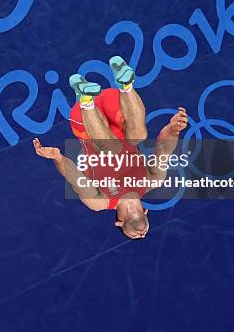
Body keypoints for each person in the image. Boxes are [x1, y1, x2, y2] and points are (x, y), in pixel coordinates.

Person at [33, 56, 188, 239]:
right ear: (145, 213)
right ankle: (126, 84)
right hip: (116, 110)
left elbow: (76, 180)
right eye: (144, 234)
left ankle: (85, 100)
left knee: (111, 148)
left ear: (119, 223)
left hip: (86, 125)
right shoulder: (152, 181)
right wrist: (173, 129)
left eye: (135, 236)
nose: (143, 235)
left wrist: (58, 158)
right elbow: (164, 149)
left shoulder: (100, 203)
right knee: (138, 136)